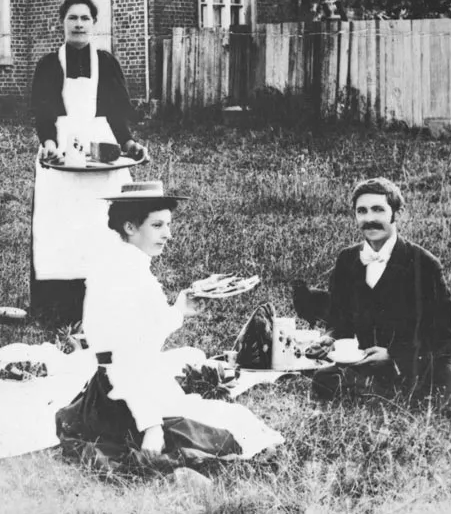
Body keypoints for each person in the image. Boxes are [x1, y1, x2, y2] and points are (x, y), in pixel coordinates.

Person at [56, 182, 283, 464]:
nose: (168, 234)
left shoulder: (128, 265)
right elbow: (119, 358)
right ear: (129, 227)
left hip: (124, 385)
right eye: (158, 225)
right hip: (120, 398)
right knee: (226, 434)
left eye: (168, 225)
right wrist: (151, 426)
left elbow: (142, 333)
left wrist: (178, 311)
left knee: (230, 415)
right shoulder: (120, 276)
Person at [308, 177, 451, 420]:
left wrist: (394, 354)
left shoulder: (424, 264)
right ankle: (389, 390)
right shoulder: (347, 260)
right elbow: (340, 320)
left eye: (378, 209)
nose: (369, 218)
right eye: (361, 211)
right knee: (324, 383)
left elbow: (447, 338)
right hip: (369, 360)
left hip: (427, 360)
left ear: (397, 214)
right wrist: (330, 338)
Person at [30, 0, 148, 325]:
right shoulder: (49, 64)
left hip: (103, 151)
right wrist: (49, 142)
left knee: (103, 225)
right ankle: (58, 310)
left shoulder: (107, 63)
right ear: (62, 22)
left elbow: (116, 114)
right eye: (72, 18)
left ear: (94, 24)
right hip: (63, 152)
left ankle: (110, 302)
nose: (79, 24)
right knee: (61, 228)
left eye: (85, 18)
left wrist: (128, 143)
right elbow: (43, 113)